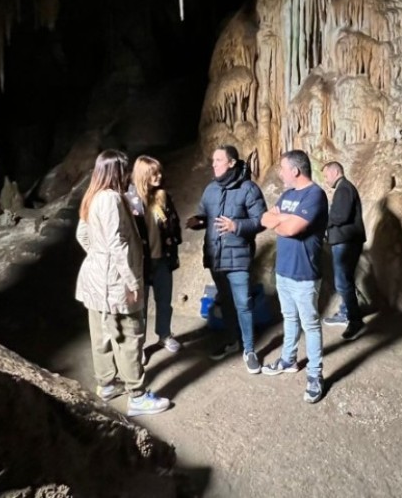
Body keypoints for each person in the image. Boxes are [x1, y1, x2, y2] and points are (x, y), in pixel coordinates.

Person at [75, 149, 170, 416]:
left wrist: (96, 257)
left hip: (96, 281)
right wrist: (131, 281)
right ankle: (137, 396)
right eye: (125, 169)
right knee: (130, 336)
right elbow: (117, 244)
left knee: (103, 335)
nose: (128, 174)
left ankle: (106, 384)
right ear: (117, 171)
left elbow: (82, 233)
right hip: (115, 283)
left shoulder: (93, 196)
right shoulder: (112, 199)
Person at [186, 145, 266, 373]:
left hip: (238, 257)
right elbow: (206, 216)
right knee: (227, 305)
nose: (214, 164)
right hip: (215, 257)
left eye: (218, 160)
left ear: (231, 163)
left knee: (243, 304)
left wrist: (237, 225)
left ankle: (249, 349)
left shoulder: (249, 189)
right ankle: (233, 341)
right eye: (213, 160)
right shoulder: (210, 189)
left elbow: (261, 221)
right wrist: (197, 222)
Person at [260, 150, 329, 404]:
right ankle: (288, 360)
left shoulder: (315, 195)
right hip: (284, 270)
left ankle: (314, 375)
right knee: (289, 318)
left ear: (296, 171)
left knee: (310, 324)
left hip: (304, 273)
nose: (281, 173)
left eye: (283, 168)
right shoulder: (288, 194)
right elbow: (265, 218)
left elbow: (289, 228)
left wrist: (282, 220)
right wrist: (283, 219)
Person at [127, 155, 182, 355]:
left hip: (162, 258)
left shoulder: (163, 197)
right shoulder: (129, 201)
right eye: (154, 173)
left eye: (159, 172)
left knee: (164, 301)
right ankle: (138, 346)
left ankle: (165, 335)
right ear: (143, 175)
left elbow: (173, 224)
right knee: (139, 307)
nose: (159, 176)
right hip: (140, 262)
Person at [320, 161, 367, 341]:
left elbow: (340, 216)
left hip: (346, 242)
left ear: (335, 172)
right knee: (345, 279)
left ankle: (355, 320)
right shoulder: (344, 188)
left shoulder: (344, 188)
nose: (325, 179)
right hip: (346, 240)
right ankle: (346, 311)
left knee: (342, 282)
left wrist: (324, 221)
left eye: (326, 175)